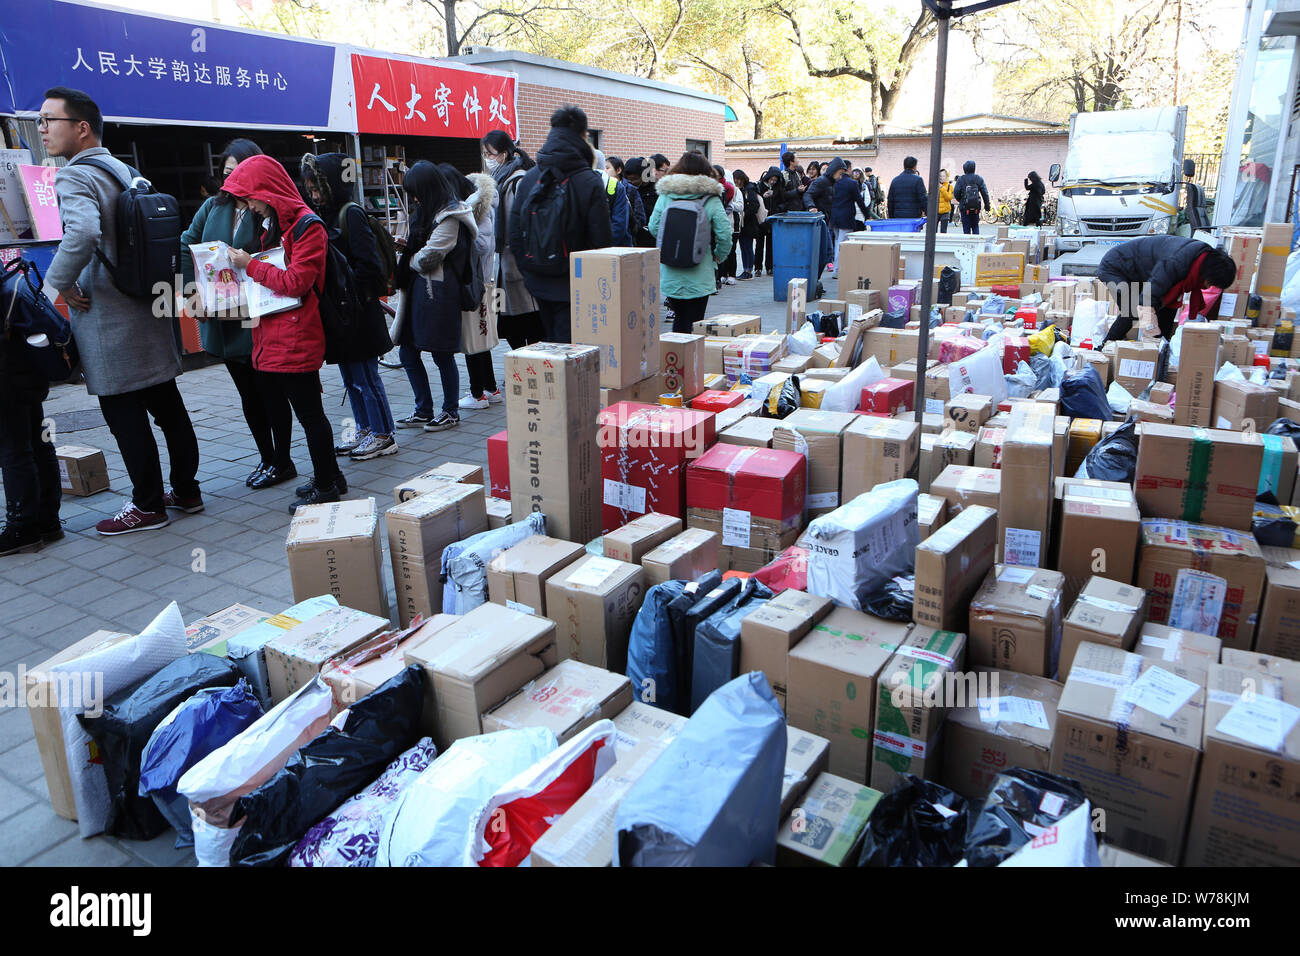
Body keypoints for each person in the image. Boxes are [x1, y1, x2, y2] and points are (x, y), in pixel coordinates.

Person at [41, 87, 201, 535]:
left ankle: (147, 506)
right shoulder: (126, 171)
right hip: (146, 307)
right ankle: (186, 491)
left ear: (81, 127)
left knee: (124, 414)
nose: (43, 129)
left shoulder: (75, 176)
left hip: (107, 314)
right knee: (168, 406)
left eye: (49, 120)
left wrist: (58, 284)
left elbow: (85, 232)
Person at [222, 155, 344, 511]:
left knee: (310, 415)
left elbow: (295, 283)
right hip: (278, 334)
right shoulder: (281, 224)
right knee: (309, 412)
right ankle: (331, 476)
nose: (250, 207)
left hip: (297, 336)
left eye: (250, 198)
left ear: (267, 191)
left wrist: (251, 265)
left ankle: (326, 485)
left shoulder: (308, 227)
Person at [182, 138, 295, 489]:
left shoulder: (269, 208)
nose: (231, 181)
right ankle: (265, 456)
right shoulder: (213, 207)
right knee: (247, 392)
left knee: (271, 390)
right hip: (223, 308)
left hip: (260, 310)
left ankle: (283, 459)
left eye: (238, 173)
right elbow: (187, 243)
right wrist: (191, 290)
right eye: (226, 173)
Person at [300, 152, 399, 462]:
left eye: (318, 188)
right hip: (340, 314)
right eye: (311, 189)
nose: (314, 195)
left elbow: (369, 265)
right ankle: (364, 428)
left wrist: (343, 287)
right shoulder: (325, 215)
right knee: (350, 379)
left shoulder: (349, 213)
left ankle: (383, 434)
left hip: (358, 312)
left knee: (366, 378)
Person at [508, 105, 612, 342]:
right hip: (578, 285)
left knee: (550, 351)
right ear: (583, 136)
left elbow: (513, 233)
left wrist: (529, 271)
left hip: (537, 282)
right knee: (575, 355)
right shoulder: (589, 181)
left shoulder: (530, 178)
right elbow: (603, 242)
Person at [395, 161, 477, 432]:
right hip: (420, 292)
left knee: (442, 353)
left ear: (429, 189)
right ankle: (423, 409)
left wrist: (409, 257)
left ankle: (450, 411)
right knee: (408, 351)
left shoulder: (451, 215)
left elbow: (428, 257)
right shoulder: (427, 211)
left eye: (416, 192)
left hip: (440, 294)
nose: (415, 198)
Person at [0, 281, 62, 554]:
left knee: (14, 449)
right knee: (37, 441)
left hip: (5, 373)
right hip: (22, 366)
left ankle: (23, 527)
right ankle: (47, 520)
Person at [438, 163, 501, 411]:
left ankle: (478, 394)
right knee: (480, 339)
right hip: (481, 281)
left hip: (476, 283)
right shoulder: (477, 209)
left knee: (473, 340)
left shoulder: (477, 211)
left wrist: (460, 237)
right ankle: (490, 388)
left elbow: (484, 246)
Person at [1096, 237, 1237, 345]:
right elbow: (1146, 302)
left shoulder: (1199, 261)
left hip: (1140, 272)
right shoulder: (1177, 262)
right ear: (1210, 273)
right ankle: (1104, 350)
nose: (1207, 288)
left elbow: (1168, 309)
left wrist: (1163, 343)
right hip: (1115, 267)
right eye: (1211, 283)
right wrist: (1154, 336)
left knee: (1164, 309)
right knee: (1132, 311)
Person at [650, 151, 733, 334]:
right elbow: (725, 234)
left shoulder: (666, 195)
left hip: (671, 270)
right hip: (700, 272)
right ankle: (693, 360)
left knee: (678, 319)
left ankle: (676, 360)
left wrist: (671, 245)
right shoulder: (710, 198)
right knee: (696, 323)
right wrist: (718, 256)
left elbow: (654, 227)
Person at [481, 130, 543, 351]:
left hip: (518, 264)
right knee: (511, 320)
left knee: (526, 321)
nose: (488, 159)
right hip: (506, 264)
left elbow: (521, 227)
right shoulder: (503, 179)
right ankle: (524, 369)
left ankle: (531, 369)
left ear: (504, 154)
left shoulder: (516, 180)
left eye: (491, 154)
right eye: (485, 154)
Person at [830, 159, 868, 270]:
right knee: (843, 244)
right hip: (846, 217)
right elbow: (859, 201)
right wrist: (867, 214)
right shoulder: (852, 183)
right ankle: (838, 270)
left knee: (837, 242)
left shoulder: (834, 182)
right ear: (849, 169)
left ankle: (836, 269)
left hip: (834, 217)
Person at [713, 164, 741, 286]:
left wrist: (720, 213)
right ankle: (721, 275)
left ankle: (731, 275)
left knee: (731, 250)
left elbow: (737, 206)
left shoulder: (732, 189)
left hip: (731, 224)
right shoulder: (709, 188)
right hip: (719, 224)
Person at [733, 169, 761, 280]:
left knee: (747, 247)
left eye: (739, 179)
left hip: (748, 223)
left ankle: (748, 271)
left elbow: (755, 205)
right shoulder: (740, 189)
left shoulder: (749, 189)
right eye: (735, 179)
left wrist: (744, 214)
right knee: (743, 247)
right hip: (742, 224)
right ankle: (746, 270)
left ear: (743, 179)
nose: (737, 182)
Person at [624, 156, 658, 245]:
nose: (631, 182)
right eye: (628, 179)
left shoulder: (655, 191)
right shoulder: (625, 189)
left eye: (634, 179)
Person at [756, 167, 783, 274]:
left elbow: (783, 202)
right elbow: (756, 200)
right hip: (762, 219)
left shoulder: (779, 189)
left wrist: (778, 208)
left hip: (773, 219)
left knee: (771, 245)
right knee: (759, 244)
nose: (773, 181)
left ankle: (769, 267)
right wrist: (763, 196)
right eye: (771, 179)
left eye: (775, 180)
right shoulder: (760, 186)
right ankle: (757, 267)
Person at [953, 160, 990, 235]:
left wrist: (961, 200)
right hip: (976, 207)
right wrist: (987, 206)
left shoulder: (961, 179)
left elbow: (956, 192)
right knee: (975, 226)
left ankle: (967, 245)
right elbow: (985, 193)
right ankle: (976, 244)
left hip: (964, 207)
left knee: (966, 228)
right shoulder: (979, 179)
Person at [886, 156, 928, 220]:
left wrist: (891, 217)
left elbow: (890, 200)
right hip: (914, 216)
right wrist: (927, 212)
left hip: (898, 216)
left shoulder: (895, 180)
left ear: (904, 166)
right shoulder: (918, 180)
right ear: (914, 167)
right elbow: (923, 199)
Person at [937, 168, 954, 234]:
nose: (941, 178)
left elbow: (949, 198)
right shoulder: (935, 185)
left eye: (943, 176)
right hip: (936, 212)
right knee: (933, 232)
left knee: (943, 232)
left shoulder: (949, 186)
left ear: (946, 177)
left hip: (945, 212)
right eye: (940, 176)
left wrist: (942, 188)